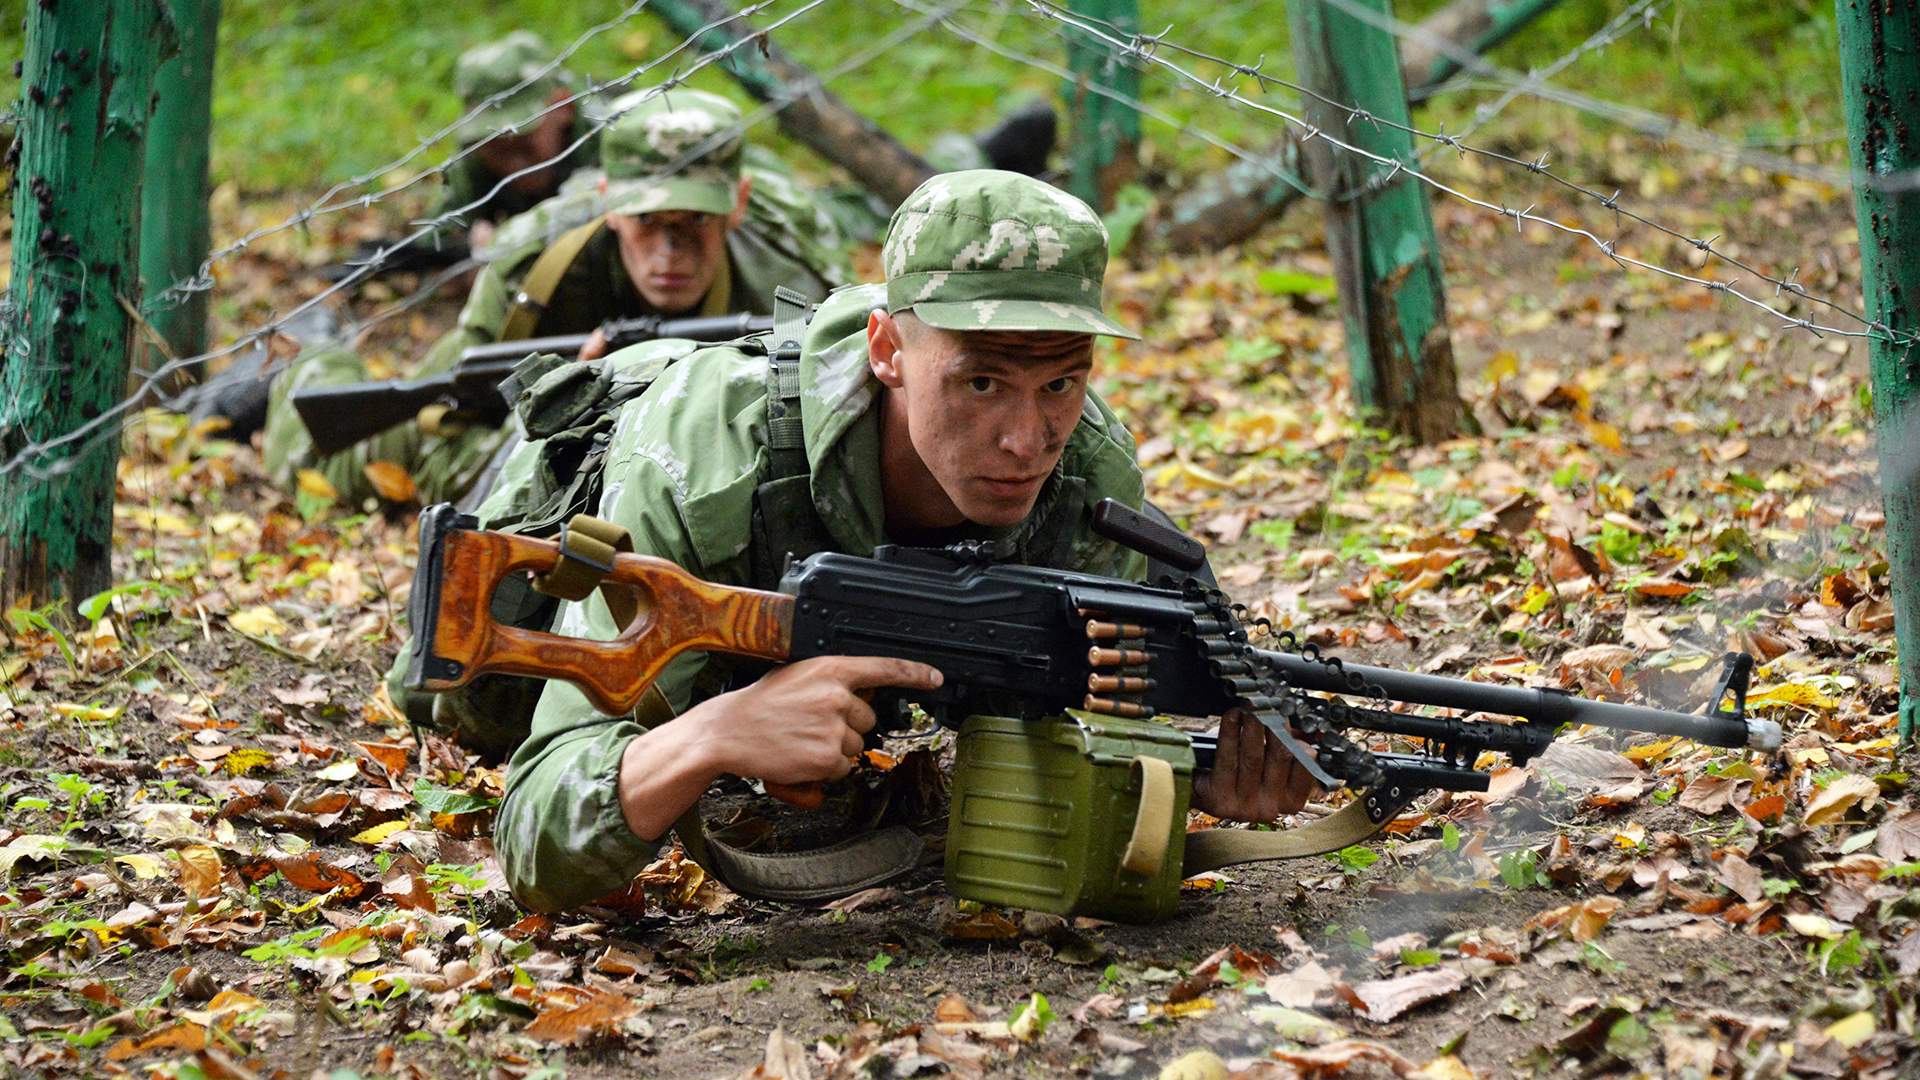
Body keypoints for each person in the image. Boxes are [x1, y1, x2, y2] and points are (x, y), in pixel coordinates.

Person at [485, 170, 1315, 913]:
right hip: (564, 521)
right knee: (476, 703)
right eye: (981, 382)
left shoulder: (1087, 477)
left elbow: (1076, 717)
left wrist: (1184, 771)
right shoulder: (709, 471)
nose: (1028, 440)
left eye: (1061, 382)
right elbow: (532, 838)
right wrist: (715, 735)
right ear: (887, 350)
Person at [258, 87, 851, 508]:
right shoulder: (534, 267)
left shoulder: (791, 288)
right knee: (329, 468)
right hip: (498, 403)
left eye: (695, 223)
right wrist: (563, 409)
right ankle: (306, 354)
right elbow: (462, 416)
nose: (670, 253)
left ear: (737, 206)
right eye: (649, 223)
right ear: (609, 203)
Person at [433, 31, 606, 245]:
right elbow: (439, 233)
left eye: (523, 145)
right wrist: (471, 247)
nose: (514, 168)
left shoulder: (607, 134)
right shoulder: (474, 152)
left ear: (563, 106)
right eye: (497, 150)